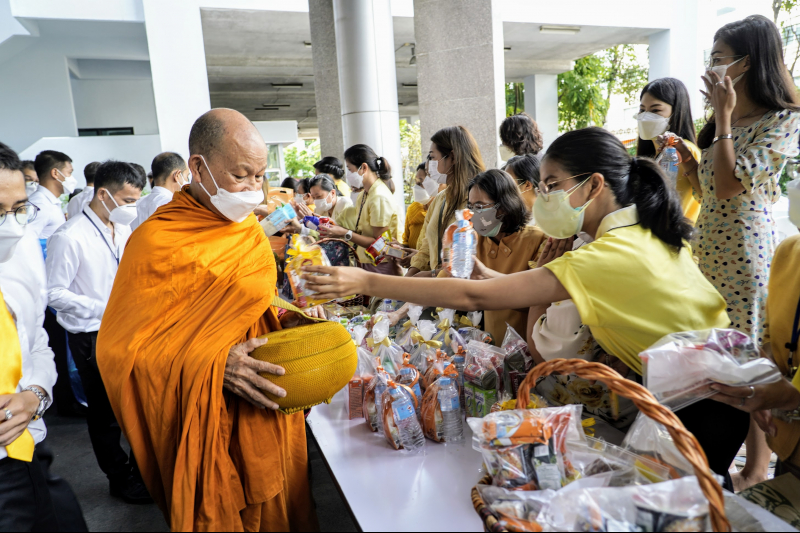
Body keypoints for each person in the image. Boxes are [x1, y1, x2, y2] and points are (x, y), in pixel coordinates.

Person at [303, 127, 747, 482]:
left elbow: (473, 296)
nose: (545, 196)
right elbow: (507, 288)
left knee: (684, 505)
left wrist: (363, 279)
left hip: (705, 403)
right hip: (708, 389)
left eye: (552, 185)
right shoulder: (636, 235)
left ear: (595, 185)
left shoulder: (606, 254)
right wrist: (489, 277)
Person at [96, 109, 318, 532]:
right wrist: (214, 363)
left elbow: (252, 308)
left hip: (265, 409)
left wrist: (290, 318)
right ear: (198, 167)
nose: (254, 189)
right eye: (241, 176)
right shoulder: (156, 241)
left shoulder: (248, 231)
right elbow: (120, 352)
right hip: (206, 418)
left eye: (260, 176)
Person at [677, 15, 800, 489]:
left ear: (749, 63)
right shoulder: (723, 122)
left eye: (720, 59)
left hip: (747, 249)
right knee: (714, 351)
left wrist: (723, 118)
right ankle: (721, 454)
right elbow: (710, 190)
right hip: (709, 245)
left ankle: (754, 468)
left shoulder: (783, 119)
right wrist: (692, 163)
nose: (712, 68)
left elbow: (732, 186)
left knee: (748, 356)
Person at [46, 160, 150, 504]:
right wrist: (105, 307)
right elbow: (54, 293)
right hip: (92, 335)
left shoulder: (122, 229)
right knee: (105, 414)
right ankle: (119, 478)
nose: (131, 207)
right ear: (103, 194)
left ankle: (142, 472)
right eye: (127, 199)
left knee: (135, 405)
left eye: (136, 199)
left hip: (128, 328)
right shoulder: (69, 236)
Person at [0, 142, 87, 532]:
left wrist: (34, 394)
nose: (10, 225)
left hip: (30, 448)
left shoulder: (20, 252)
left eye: (17, 209)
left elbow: (36, 341)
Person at [456, 169, 546, 343]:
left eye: (480, 206)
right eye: (470, 206)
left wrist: (486, 276)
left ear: (504, 206)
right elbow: (445, 280)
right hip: (491, 348)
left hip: (529, 347)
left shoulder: (539, 240)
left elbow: (536, 301)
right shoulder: (474, 240)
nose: (473, 213)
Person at [408, 126, 485, 277]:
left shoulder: (478, 202)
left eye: (432, 157)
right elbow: (425, 248)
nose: (428, 164)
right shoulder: (440, 200)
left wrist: (430, 275)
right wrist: (410, 276)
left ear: (453, 157)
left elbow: (474, 259)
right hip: (436, 288)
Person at [319, 144, 400, 275]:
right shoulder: (364, 194)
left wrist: (345, 233)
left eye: (350, 170)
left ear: (363, 168)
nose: (348, 175)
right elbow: (362, 231)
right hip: (365, 260)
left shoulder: (379, 196)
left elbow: (380, 244)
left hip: (380, 263)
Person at [635, 78, 702, 224]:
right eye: (642, 110)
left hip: (676, 238)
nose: (645, 116)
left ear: (676, 112)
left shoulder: (686, 151)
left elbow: (706, 194)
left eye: (656, 110)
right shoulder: (650, 156)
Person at [28, 150, 73, 250]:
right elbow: (27, 242)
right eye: (69, 173)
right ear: (55, 173)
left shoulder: (49, 202)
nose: (72, 178)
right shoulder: (40, 204)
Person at [131, 152, 188, 231]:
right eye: (187, 176)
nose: (187, 181)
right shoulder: (173, 206)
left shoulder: (136, 204)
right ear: (177, 175)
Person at [402, 163, 433, 251]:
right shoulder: (412, 209)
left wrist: (416, 255)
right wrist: (399, 247)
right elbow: (406, 242)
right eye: (416, 183)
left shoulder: (440, 212)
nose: (416, 187)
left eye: (421, 182)